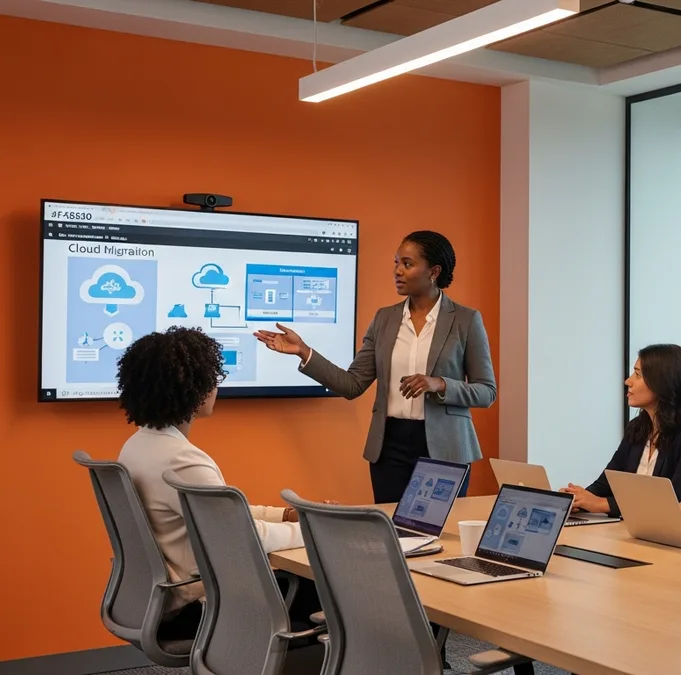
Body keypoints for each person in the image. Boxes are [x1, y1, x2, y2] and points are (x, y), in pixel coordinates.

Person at [254, 230, 496, 504]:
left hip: (446, 447)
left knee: (439, 537)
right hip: (389, 446)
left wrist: (439, 383)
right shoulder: (384, 319)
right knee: (394, 533)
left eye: (407, 263)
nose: (397, 271)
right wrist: (304, 351)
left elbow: (486, 392)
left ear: (434, 271)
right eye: (396, 263)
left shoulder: (465, 320)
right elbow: (352, 384)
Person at [114, 327, 323, 640]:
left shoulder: (139, 445)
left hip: (160, 600)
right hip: (202, 606)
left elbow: (221, 513)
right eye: (212, 378)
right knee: (329, 587)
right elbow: (240, 537)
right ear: (192, 388)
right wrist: (313, 529)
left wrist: (285, 516)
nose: (216, 386)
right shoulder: (183, 461)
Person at [562, 344, 681, 516]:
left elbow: (676, 500)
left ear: (663, 382)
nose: (628, 381)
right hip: (632, 529)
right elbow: (607, 483)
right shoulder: (637, 427)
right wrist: (577, 499)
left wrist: (601, 504)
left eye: (638, 375)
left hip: (678, 536)